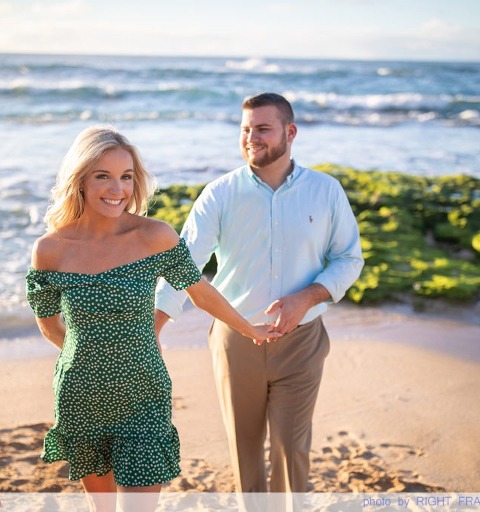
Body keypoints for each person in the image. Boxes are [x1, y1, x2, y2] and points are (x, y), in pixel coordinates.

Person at [25, 126, 280, 512]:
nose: (118, 189)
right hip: (82, 395)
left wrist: (250, 329)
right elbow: (49, 326)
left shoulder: (155, 236)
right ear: (80, 180)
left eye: (126, 177)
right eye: (103, 176)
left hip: (143, 393)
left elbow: (200, 291)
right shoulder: (50, 250)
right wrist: (101, 355)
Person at [155, 93, 364, 494]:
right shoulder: (219, 194)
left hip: (301, 342)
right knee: (245, 449)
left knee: (292, 449)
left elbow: (348, 259)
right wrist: (155, 327)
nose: (252, 138)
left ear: (291, 132)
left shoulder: (326, 191)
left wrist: (305, 298)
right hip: (236, 340)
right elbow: (183, 265)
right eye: (245, 130)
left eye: (263, 129)